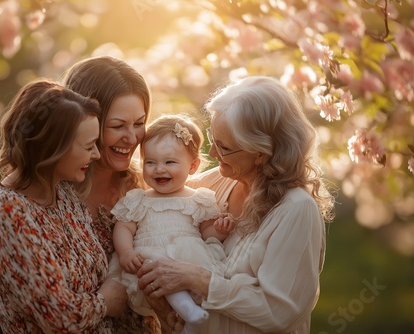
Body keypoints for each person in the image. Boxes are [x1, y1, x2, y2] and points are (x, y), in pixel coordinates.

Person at [137, 76, 336, 333]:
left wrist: (200, 280)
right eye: (212, 138)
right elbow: (153, 202)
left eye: (223, 147)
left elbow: (279, 312)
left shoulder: (297, 210)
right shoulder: (216, 182)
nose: (211, 154)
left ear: (261, 152)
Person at [0, 79, 128, 332]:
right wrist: (106, 302)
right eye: (87, 145)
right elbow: (58, 316)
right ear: (53, 148)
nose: (96, 154)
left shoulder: (64, 190)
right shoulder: (7, 207)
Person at [59, 55, 161, 332]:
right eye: (117, 126)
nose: (132, 138)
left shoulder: (146, 187)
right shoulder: (52, 195)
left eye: (139, 123)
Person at [109, 115, 235, 334]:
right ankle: (188, 315)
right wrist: (126, 252)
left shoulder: (199, 199)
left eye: (169, 162)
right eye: (150, 162)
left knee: (187, 285)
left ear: (193, 166)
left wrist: (219, 230)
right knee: (160, 277)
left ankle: (191, 317)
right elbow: (124, 227)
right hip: (150, 258)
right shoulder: (139, 199)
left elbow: (206, 232)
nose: (159, 169)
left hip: (188, 259)